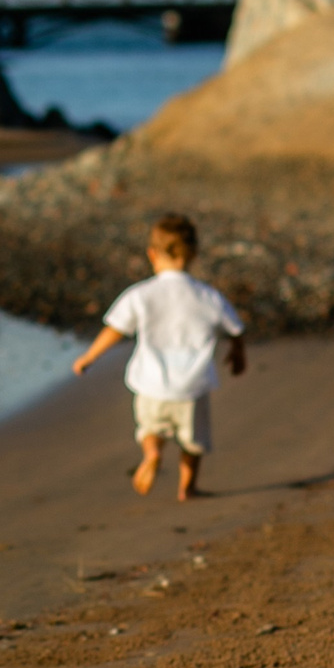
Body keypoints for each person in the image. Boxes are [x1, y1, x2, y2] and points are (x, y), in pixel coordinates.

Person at [70, 213, 247, 501]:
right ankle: (187, 488)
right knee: (192, 443)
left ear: (152, 254)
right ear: (194, 254)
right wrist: (238, 354)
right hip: (192, 386)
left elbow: (114, 330)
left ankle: (152, 453)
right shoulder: (208, 296)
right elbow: (235, 329)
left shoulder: (141, 295)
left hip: (151, 384)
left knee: (150, 429)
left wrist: (88, 358)